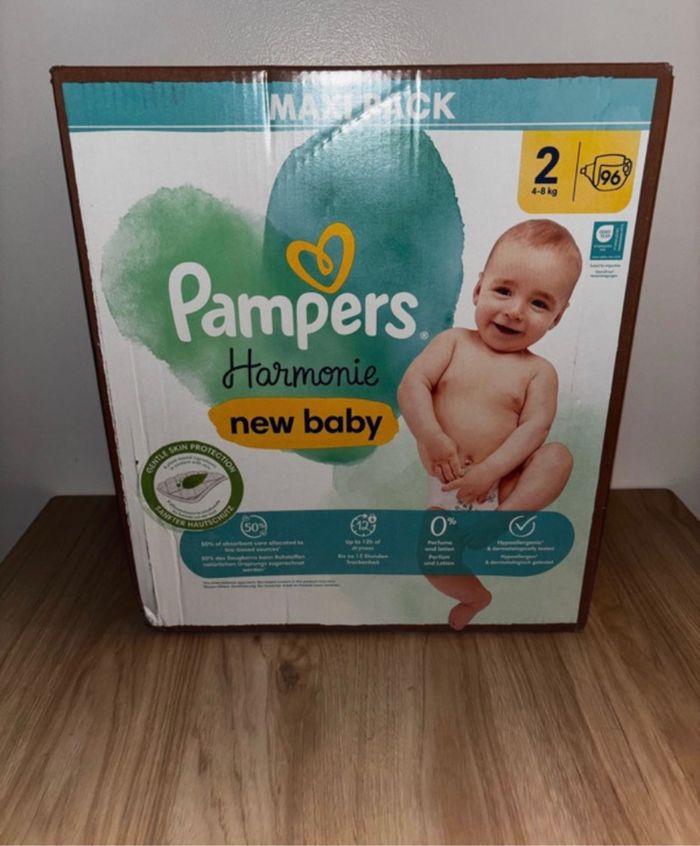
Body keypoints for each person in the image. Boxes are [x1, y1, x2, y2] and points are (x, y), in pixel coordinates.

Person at [397, 219, 582, 629]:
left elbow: (534, 429)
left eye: (539, 304)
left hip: (506, 483)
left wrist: (491, 471)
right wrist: (432, 436)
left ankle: (502, 518)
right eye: (504, 291)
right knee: (433, 560)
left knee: (557, 457)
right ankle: (475, 597)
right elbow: (412, 385)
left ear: (557, 317)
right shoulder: (452, 343)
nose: (515, 312)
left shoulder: (539, 372)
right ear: (479, 289)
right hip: (448, 489)